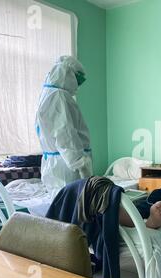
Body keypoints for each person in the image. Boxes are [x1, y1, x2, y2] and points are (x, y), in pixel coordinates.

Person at [35, 56, 93, 198]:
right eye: (78, 79)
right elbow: (64, 134)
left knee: (62, 206)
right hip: (67, 166)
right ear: (68, 73)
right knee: (72, 208)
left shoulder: (49, 94)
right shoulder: (58, 97)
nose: (78, 84)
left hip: (59, 163)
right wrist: (80, 163)